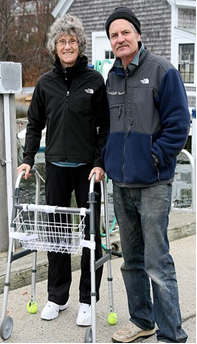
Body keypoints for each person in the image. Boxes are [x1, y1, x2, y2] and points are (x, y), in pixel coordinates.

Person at [102, 6, 190, 343]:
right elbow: (107, 128)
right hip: (121, 183)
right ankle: (142, 320)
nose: (120, 39)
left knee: (157, 262)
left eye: (125, 32)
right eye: (114, 35)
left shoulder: (162, 71)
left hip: (153, 183)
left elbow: (179, 125)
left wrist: (155, 157)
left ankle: (171, 334)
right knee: (131, 261)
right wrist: (108, 162)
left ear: (138, 35)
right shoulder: (112, 77)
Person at [17, 14, 109, 326]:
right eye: (61, 41)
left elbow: (104, 128)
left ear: (79, 45)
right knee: (55, 235)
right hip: (55, 167)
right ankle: (57, 296)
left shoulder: (95, 82)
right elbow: (33, 124)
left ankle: (87, 299)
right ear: (55, 47)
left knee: (90, 235)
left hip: (87, 171)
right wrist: (28, 157)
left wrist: (99, 163)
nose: (67, 45)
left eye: (72, 41)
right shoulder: (45, 83)